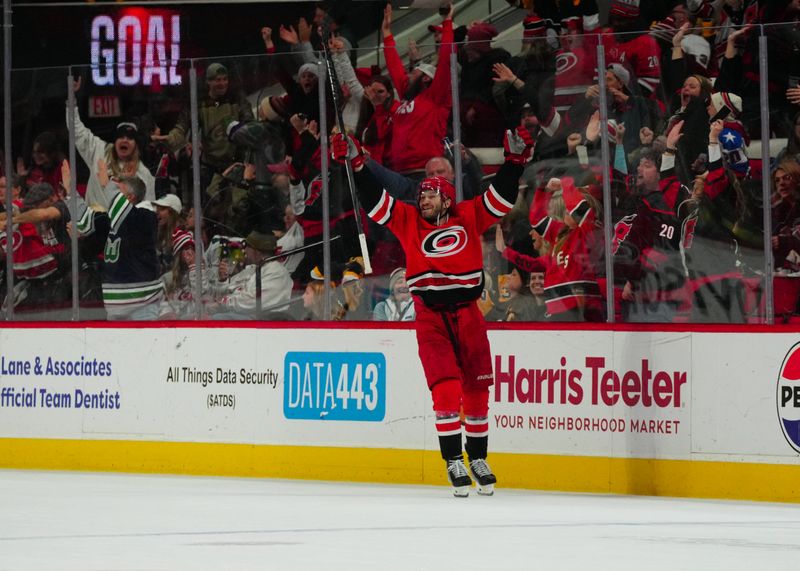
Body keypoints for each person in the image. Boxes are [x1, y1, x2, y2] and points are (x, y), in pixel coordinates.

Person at [331, 125, 536, 497]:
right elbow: (376, 204)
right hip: (430, 316)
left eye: (430, 193)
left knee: (477, 387)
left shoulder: (468, 214)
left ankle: (477, 457)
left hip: (469, 313)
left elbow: (500, 200)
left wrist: (514, 164)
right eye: (421, 192)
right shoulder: (408, 220)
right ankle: (453, 459)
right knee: (446, 386)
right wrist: (358, 165)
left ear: (446, 199)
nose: (423, 197)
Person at [68, 77, 156, 207]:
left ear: (136, 145)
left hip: (124, 226)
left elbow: (148, 209)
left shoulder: (143, 174)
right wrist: (71, 98)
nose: (125, 139)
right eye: (120, 136)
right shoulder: (99, 151)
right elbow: (76, 131)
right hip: (95, 224)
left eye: (130, 137)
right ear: (115, 141)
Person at [212, 230, 293, 318]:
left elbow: (252, 301)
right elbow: (227, 290)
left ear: (257, 252)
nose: (244, 250)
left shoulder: (277, 272)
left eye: (246, 246)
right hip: (246, 316)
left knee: (218, 318)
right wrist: (223, 280)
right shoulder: (253, 269)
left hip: (267, 323)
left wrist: (223, 303)